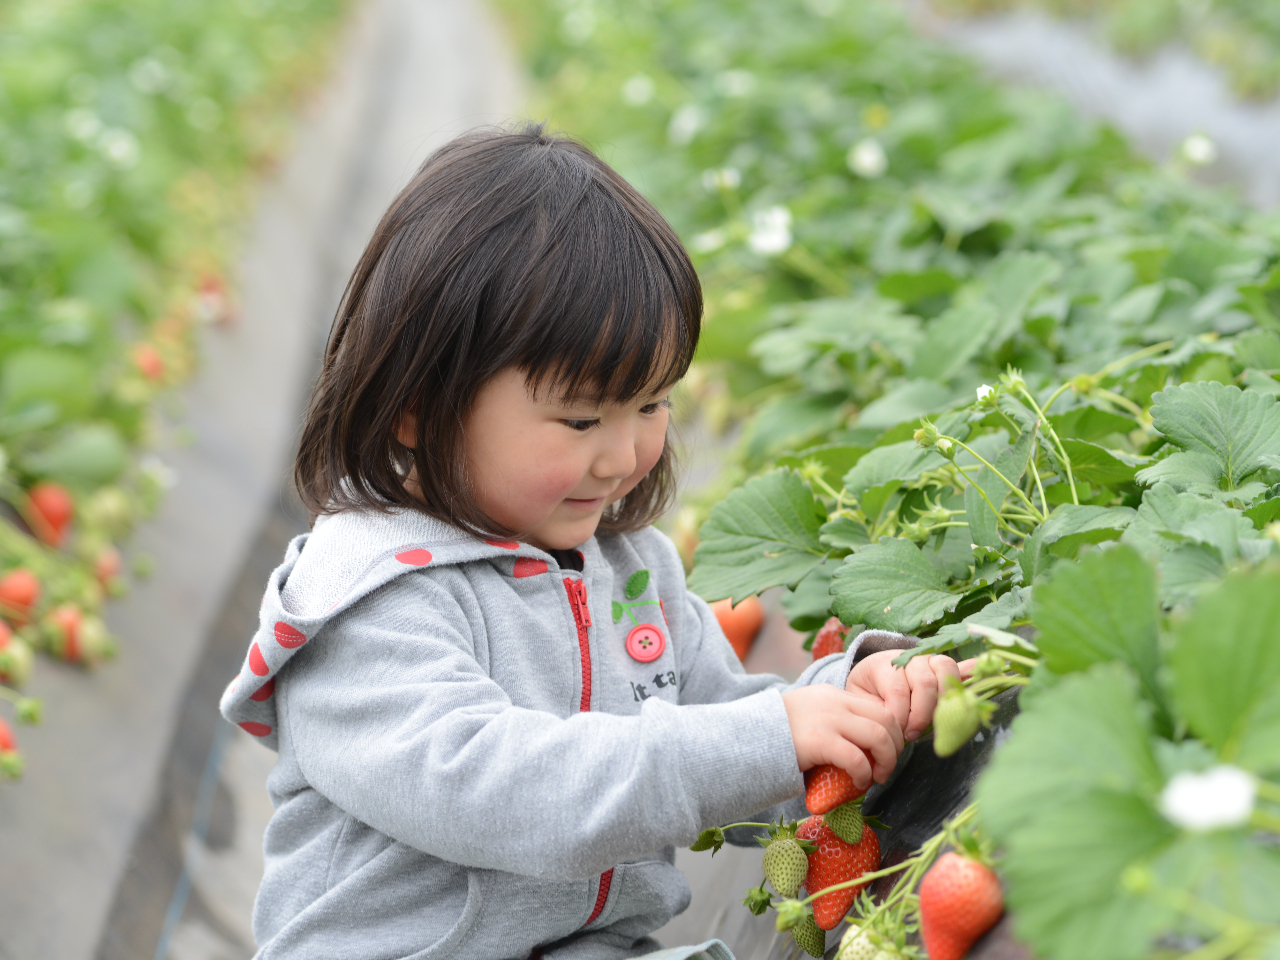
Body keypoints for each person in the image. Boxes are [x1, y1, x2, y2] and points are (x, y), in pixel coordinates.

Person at [220, 122, 966, 960]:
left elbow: (728, 735)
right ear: (417, 405)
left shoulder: (629, 569)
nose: (624, 456)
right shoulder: (364, 603)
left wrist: (857, 702)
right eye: (581, 419)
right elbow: (504, 792)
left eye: (652, 405)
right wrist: (772, 738)